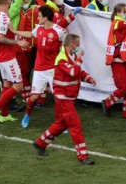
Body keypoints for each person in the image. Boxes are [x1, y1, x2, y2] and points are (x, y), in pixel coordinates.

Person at [32, 34, 96, 165]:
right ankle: (83, 156)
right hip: (64, 99)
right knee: (75, 125)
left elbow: (77, 72)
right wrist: (78, 59)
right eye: (77, 44)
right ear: (72, 45)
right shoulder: (62, 59)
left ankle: (40, 143)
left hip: (67, 97)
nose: (79, 47)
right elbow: (73, 72)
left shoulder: (68, 56)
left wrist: (88, 77)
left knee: (62, 124)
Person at [17, 6, 67, 128]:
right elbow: (30, 34)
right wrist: (14, 31)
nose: (37, 18)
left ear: (45, 18)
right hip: (39, 69)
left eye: (39, 16)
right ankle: (27, 114)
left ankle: (61, 123)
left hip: (54, 70)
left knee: (59, 98)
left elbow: (66, 47)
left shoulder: (59, 31)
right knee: (33, 97)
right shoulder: (38, 28)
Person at [0, 0, 29, 123]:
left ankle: (4, 114)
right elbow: (0, 38)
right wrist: (18, 42)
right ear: (7, 2)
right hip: (7, 57)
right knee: (19, 85)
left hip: (1, 56)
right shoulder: (4, 18)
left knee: (7, 84)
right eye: (10, 0)